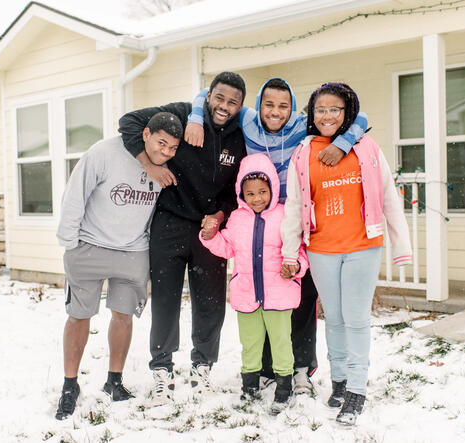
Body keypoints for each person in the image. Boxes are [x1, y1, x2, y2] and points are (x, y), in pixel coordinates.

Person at [184, 78, 368, 394]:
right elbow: (205, 93)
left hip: (295, 218)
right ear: (258, 105)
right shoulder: (247, 119)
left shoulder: (302, 123)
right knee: (263, 297)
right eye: (269, 104)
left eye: (283, 106)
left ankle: (300, 369)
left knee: (301, 297)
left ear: (292, 109)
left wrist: (342, 143)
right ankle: (269, 369)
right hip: (257, 216)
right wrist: (194, 118)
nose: (275, 112)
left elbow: (359, 118)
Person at [280, 82, 412, 426]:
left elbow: (388, 198)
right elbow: (294, 205)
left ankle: (356, 389)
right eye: (320, 109)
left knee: (355, 318)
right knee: (334, 318)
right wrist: (291, 250)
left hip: (363, 246)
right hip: (321, 248)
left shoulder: (366, 148)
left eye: (334, 109)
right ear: (312, 114)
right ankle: (338, 380)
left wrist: (403, 246)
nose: (326, 116)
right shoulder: (303, 151)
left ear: (347, 112)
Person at [118, 72, 247, 406]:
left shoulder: (240, 137)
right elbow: (129, 122)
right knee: (165, 299)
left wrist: (220, 216)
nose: (224, 106)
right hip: (170, 222)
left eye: (233, 102)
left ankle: (202, 368)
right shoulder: (180, 114)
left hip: (210, 229)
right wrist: (149, 165)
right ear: (207, 96)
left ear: (241, 106)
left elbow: (237, 191)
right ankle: (162, 371)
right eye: (219, 97)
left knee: (211, 303)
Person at [54, 112, 183, 420]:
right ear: (146, 134)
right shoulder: (104, 152)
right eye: (161, 143)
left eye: (172, 147)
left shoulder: (167, 166)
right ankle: (70, 385)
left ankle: (114, 381)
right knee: (79, 315)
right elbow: (76, 194)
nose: (165, 152)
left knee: (124, 316)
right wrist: (70, 242)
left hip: (133, 251)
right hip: (90, 246)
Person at [199, 153, 308, 415]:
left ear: (273, 188)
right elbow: (226, 248)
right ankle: (249, 385)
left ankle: (284, 385)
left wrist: (295, 267)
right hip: (247, 294)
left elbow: (300, 251)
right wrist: (209, 236)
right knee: (250, 342)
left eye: (262, 191)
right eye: (250, 193)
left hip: (279, 293)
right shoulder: (237, 219)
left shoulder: (284, 216)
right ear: (241, 194)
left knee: (281, 341)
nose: (257, 198)